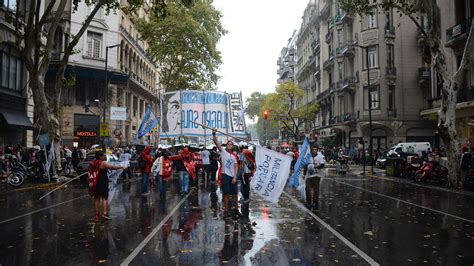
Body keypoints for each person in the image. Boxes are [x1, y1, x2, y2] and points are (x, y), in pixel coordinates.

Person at [90, 150, 127, 223]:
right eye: (104, 155)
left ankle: (97, 216)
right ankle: (104, 215)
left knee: (96, 198)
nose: (105, 156)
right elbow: (112, 167)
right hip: (102, 181)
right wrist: (122, 167)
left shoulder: (94, 163)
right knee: (104, 198)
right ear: (100, 157)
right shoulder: (102, 163)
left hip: (95, 182)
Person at [212, 129, 239, 219]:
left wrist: (235, 177)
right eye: (228, 144)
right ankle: (226, 211)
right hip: (225, 176)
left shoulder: (235, 156)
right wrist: (214, 133)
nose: (229, 145)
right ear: (226, 146)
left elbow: (236, 167)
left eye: (231, 144)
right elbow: (216, 142)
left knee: (235, 194)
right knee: (226, 194)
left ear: (233, 146)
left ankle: (236, 210)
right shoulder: (223, 152)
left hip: (233, 177)